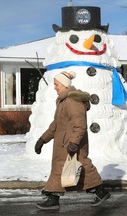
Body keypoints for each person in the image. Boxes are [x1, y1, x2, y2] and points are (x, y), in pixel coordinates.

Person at [34, 71, 110, 210]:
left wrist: (74, 142)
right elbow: (55, 125)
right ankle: (54, 197)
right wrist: (42, 140)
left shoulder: (72, 101)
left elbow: (80, 125)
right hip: (63, 144)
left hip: (72, 144)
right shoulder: (63, 101)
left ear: (64, 85)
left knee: (82, 167)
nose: (55, 87)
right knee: (61, 169)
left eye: (56, 84)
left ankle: (99, 191)